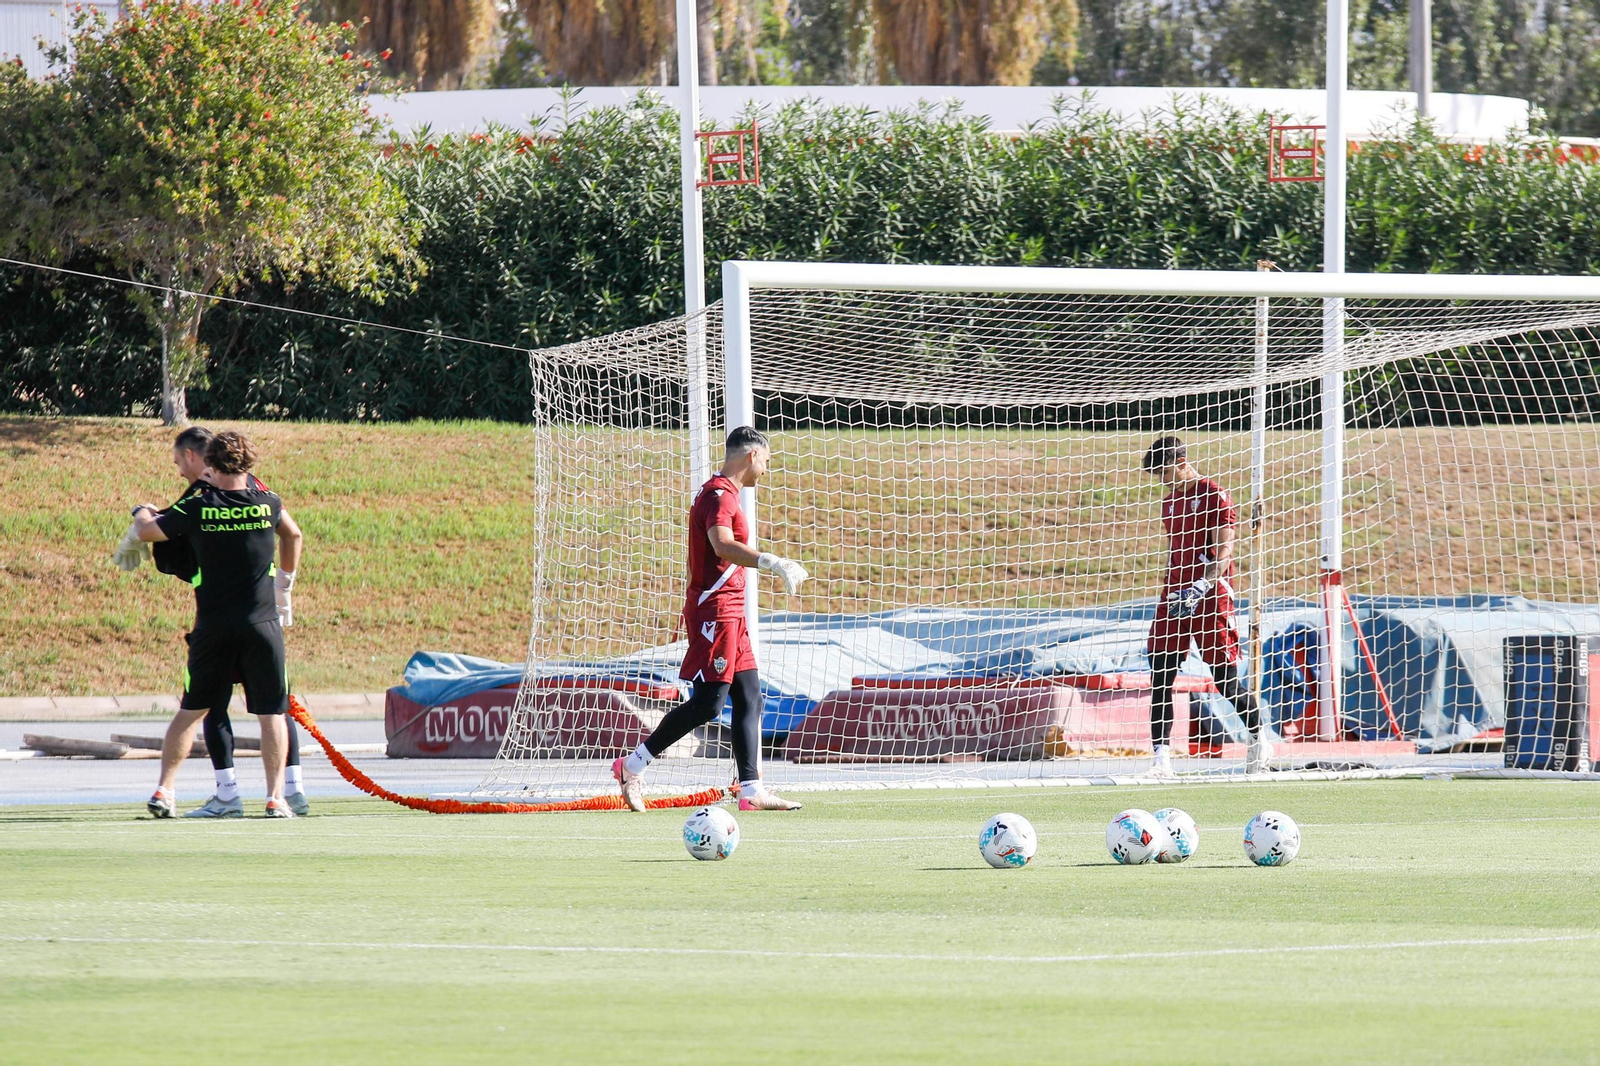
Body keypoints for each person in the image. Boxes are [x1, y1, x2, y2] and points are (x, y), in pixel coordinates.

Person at [613, 427, 809, 812]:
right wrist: (770, 561)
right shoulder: (719, 495)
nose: (766, 471)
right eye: (766, 461)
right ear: (752, 456)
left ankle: (751, 790)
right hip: (714, 611)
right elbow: (721, 544)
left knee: (750, 696)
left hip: (732, 612)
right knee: (708, 705)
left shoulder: (728, 495)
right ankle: (631, 766)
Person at [117, 427, 309, 818]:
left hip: (214, 628)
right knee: (272, 712)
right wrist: (285, 586)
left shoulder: (200, 506)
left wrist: (141, 509)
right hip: (263, 625)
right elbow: (294, 534)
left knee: (192, 710)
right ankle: (276, 798)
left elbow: (147, 531)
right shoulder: (268, 502)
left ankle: (165, 791)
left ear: (210, 463)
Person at [1142, 435, 1271, 776]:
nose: (1161, 480)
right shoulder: (1169, 503)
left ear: (1181, 463)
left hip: (1209, 597)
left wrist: (1202, 585)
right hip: (1174, 597)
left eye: (1164, 472)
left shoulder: (1213, 494)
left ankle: (1259, 740)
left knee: (1225, 682)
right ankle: (1161, 760)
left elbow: (1225, 550)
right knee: (1160, 676)